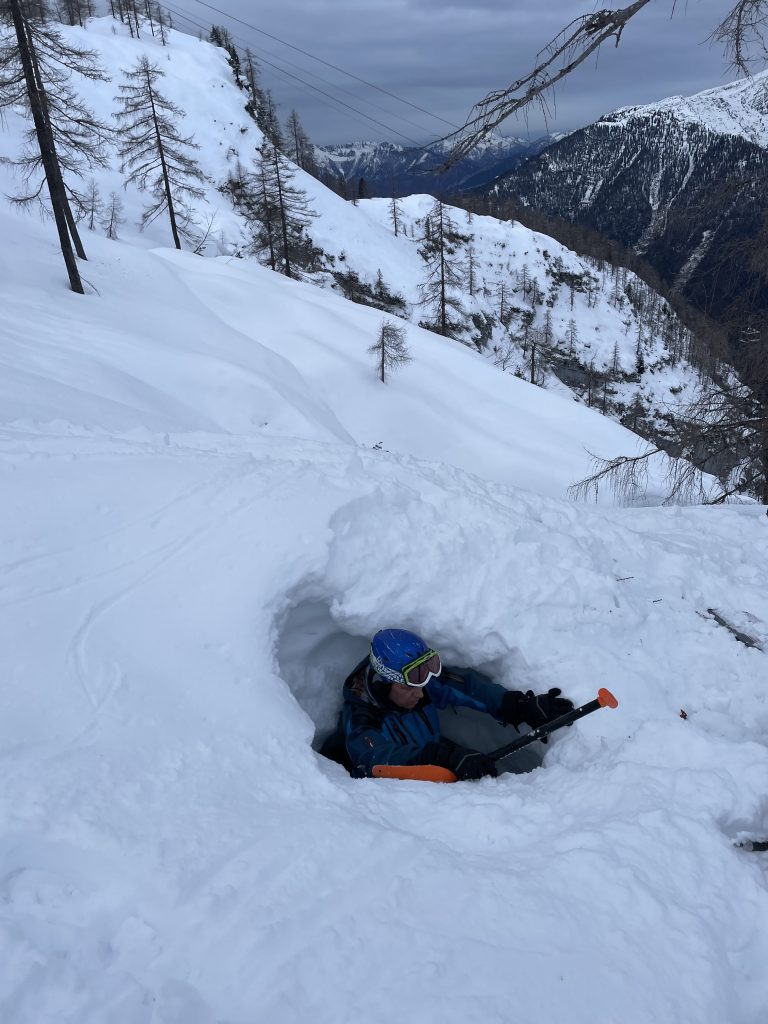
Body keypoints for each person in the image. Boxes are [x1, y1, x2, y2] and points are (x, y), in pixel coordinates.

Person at [321, 627, 573, 780]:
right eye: (409, 688)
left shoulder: (416, 681)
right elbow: (373, 757)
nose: (420, 695)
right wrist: (442, 757)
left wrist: (515, 705)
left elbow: (466, 687)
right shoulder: (362, 717)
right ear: (383, 683)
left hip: (432, 753)